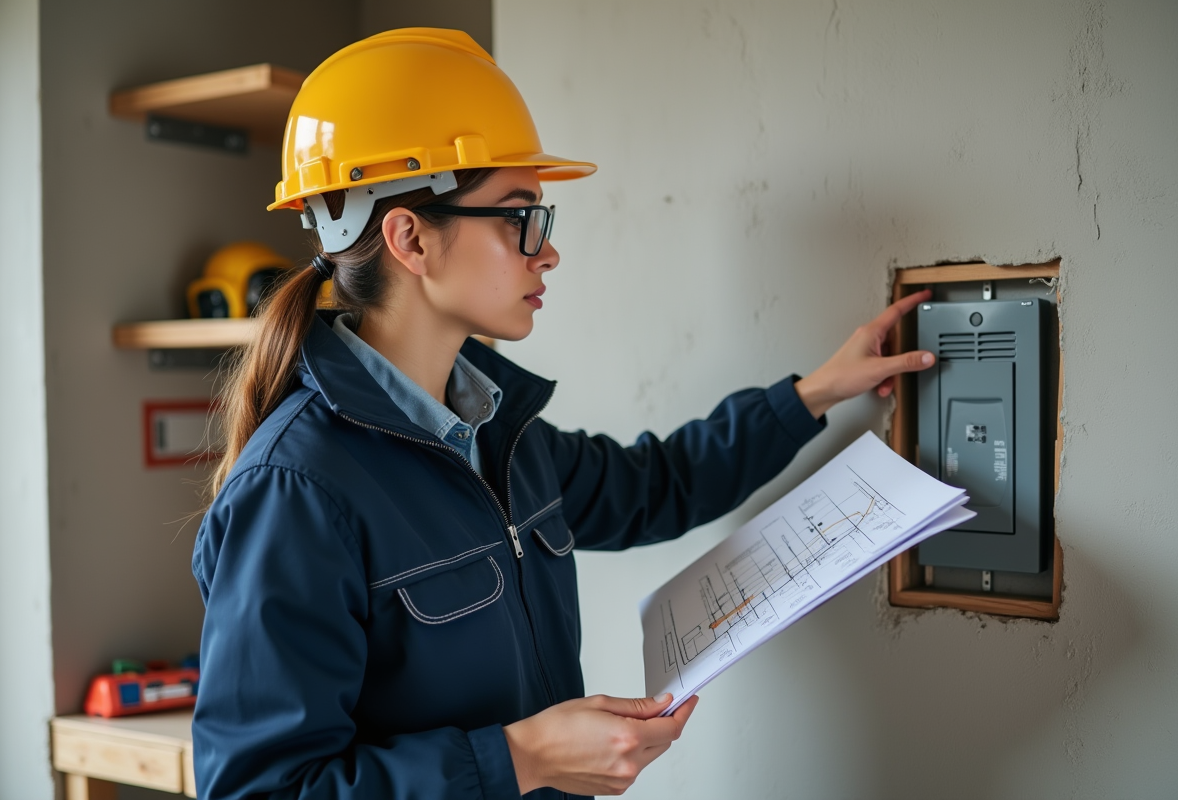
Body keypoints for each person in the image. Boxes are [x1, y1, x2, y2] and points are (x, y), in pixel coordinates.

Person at [191, 28, 934, 800]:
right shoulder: (297, 490)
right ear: (411, 238)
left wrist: (817, 392)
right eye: (519, 218)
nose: (547, 253)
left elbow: (657, 484)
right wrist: (522, 759)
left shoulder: (499, 435)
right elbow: (260, 790)